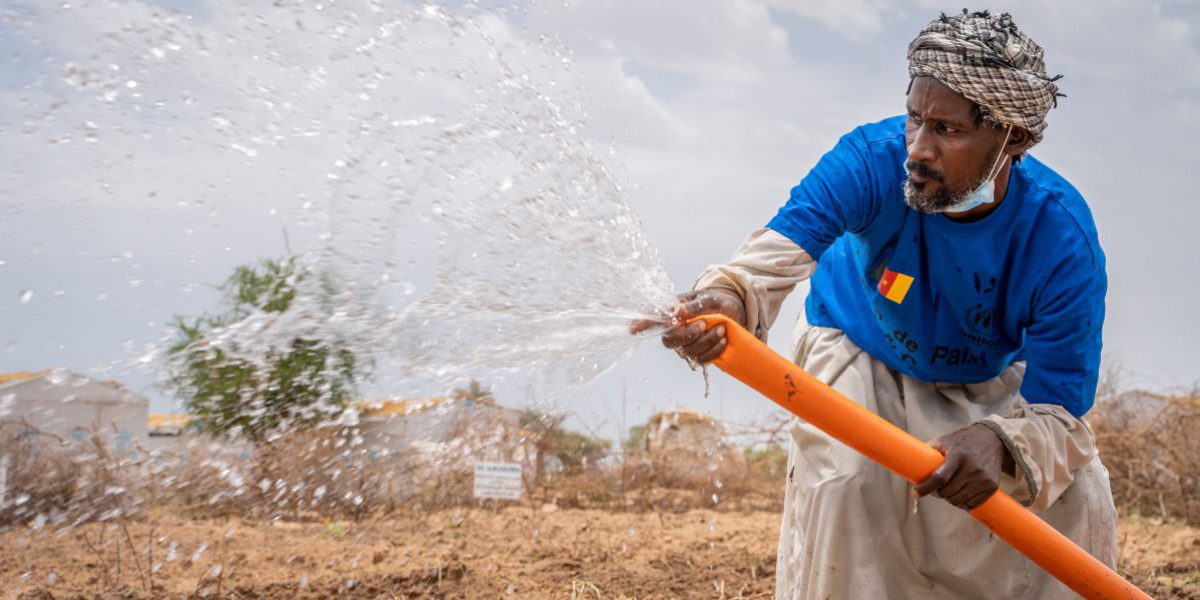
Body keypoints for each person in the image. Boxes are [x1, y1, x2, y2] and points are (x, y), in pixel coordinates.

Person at [639, 9, 1117, 599]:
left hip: (986, 379)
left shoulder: (1062, 238)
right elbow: (766, 262)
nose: (918, 149)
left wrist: (1000, 442)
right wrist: (725, 300)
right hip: (858, 349)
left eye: (948, 130)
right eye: (915, 118)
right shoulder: (869, 159)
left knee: (1077, 499)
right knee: (851, 489)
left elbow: (1059, 409)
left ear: (1012, 139)